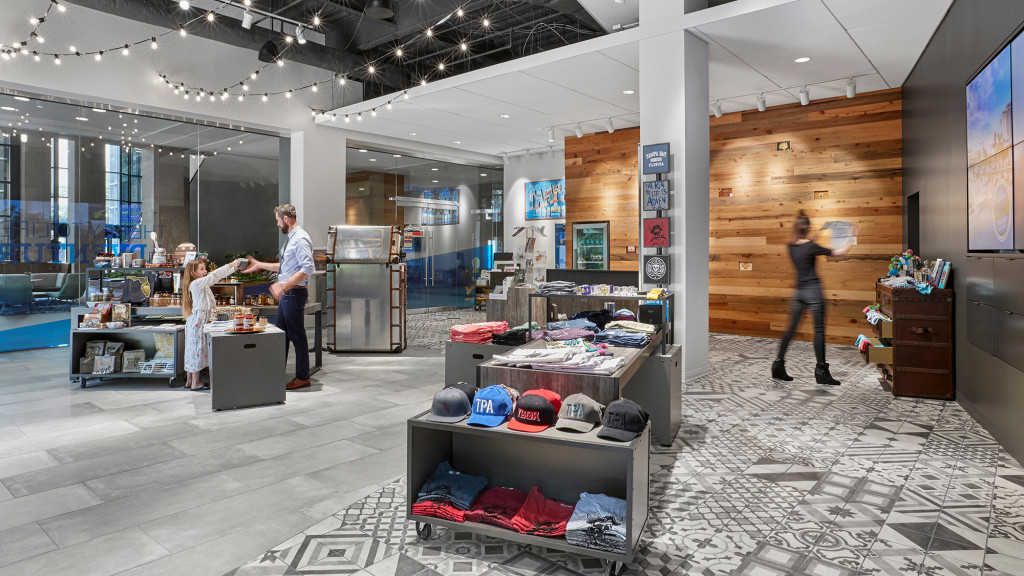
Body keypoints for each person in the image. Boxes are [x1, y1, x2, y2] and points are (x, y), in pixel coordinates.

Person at [772, 211, 857, 386]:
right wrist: (852, 236)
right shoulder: (811, 246)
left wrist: (819, 231)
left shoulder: (791, 246)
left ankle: (778, 365)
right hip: (814, 292)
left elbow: (808, 243)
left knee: (790, 329)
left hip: (798, 293)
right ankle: (821, 372)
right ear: (808, 228)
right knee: (818, 331)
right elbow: (838, 252)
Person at [242, 204, 314, 390]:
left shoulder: (300, 238)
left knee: (297, 336)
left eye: (277, 221)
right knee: (281, 336)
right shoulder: (292, 238)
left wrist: (283, 285)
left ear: (286, 219)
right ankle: (275, 372)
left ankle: (303, 377)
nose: (277, 225)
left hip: (293, 294)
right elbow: (285, 267)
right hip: (287, 294)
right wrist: (259, 264)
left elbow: (307, 269)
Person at [182, 257, 245, 390]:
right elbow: (214, 276)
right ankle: (195, 382)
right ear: (193, 273)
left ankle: (189, 381)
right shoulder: (197, 284)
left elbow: (213, 278)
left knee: (193, 350)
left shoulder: (200, 284)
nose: (205, 271)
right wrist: (231, 265)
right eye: (202, 269)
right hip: (198, 322)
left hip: (198, 321)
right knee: (196, 350)